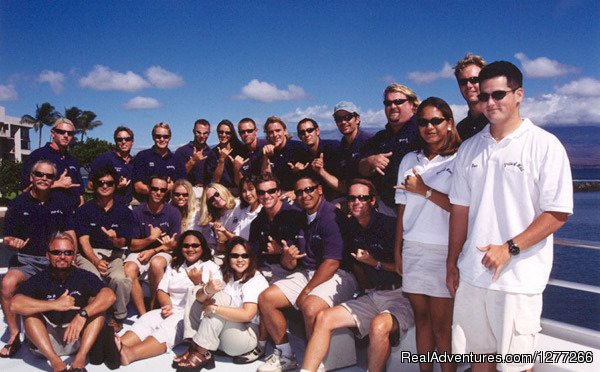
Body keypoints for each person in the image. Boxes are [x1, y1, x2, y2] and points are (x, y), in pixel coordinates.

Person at [447, 61, 573, 372]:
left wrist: (509, 248)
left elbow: (557, 213)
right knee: (479, 364)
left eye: (499, 94)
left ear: (519, 94)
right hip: (473, 278)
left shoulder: (544, 146)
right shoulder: (469, 149)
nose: (490, 103)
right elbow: (459, 211)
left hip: (518, 280)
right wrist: (451, 262)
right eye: (484, 97)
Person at [302, 179, 413, 372]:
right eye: (352, 198)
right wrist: (363, 291)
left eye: (362, 198)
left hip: (401, 295)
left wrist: (375, 263)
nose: (356, 202)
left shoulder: (391, 226)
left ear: (373, 201)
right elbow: (357, 266)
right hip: (372, 294)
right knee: (323, 318)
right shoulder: (351, 227)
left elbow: (405, 269)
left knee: (378, 327)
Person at [257, 172, 357, 372]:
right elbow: (291, 264)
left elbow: (332, 263)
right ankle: (285, 354)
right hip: (308, 272)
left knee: (310, 306)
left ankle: (315, 364)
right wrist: (288, 257)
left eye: (309, 190)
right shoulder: (300, 217)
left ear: (320, 190)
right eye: (299, 192)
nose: (305, 195)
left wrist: (306, 291)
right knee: (267, 298)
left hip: (339, 275)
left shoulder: (330, 216)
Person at [394, 97, 461, 372]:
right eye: (423, 122)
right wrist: (397, 250)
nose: (429, 127)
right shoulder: (410, 159)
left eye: (436, 120)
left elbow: (460, 208)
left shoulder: (460, 159)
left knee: (442, 326)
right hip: (413, 250)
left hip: (444, 251)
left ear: (448, 123)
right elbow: (402, 210)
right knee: (422, 320)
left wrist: (424, 190)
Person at [1, 160, 76, 358]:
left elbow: (69, 232)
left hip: (54, 260)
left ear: (54, 180)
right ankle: (14, 334)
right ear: (31, 177)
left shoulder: (62, 203)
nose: (44, 179)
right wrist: (11, 242)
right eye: (39, 175)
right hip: (26, 260)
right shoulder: (18, 204)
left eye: (49, 176)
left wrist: (72, 254)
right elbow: (7, 237)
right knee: (7, 284)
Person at [11, 232, 116, 372]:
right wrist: (55, 304)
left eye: (68, 252)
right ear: (47, 255)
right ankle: (56, 363)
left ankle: (79, 361)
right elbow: (15, 304)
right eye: (56, 252)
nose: (62, 257)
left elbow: (109, 295)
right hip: (46, 343)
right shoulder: (39, 279)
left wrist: (83, 314)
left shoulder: (83, 276)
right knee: (29, 315)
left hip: (76, 338)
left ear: (73, 255)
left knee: (98, 311)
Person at [115, 230, 221, 366]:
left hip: (192, 315)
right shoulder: (175, 265)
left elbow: (212, 300)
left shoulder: (212, 268)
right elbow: (162, 290)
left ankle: (131, 354)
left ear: (203, 247)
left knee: (168, 327)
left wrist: (198, 283)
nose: (190, 249)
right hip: (172, 309)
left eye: (195, 245)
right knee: (146, 319)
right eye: (186, 246)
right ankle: (116, 345)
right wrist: (167, 306)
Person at [174, 237, 269, 370]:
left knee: (220, 298)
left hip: (243, 338)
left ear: (251, 258)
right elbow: (199, 297)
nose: (240, 260)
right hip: (221, 337)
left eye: (245, 256)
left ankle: (201, 351)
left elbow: (247, 315)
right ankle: (194, 346)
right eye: (235, 255)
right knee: (196, 290)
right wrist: (208, 290)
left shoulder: (256, 280)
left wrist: (214, 308)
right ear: (228, 258)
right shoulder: (225, 273)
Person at [75, 166, 135, 333]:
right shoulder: (84, 210)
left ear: (115, 185)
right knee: (91, 278)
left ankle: (119, 316)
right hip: (89, 253)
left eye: (109, 183)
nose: (105, 186)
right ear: (94, 185)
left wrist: (114, 239)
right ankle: (93, 315)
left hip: (114, 252)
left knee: (119, 279)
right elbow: (83, 240)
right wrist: (95, 260)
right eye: (101, 182)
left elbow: (124, 242)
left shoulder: (124, 211)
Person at [358, 84, 419, 216]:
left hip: (419, 207)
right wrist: (370, 161)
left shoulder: (423, 131)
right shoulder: (380, 137)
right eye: (388, 103)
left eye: (398, 102)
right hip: (387, 207)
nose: (392, 107)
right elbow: (361, 168)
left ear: (412, 105)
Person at [125, 175, 182, 316]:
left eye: (162, 190)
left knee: (156, 263)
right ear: (149, 189)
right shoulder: (137, 212)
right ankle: (143, 314)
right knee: (129, 269)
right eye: (155, 189)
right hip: (141, 251)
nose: (158, 193)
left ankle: (153, 306)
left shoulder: (173, 212)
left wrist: (155, 249)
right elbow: (132, 245)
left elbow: (174, 243)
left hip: (163, 251)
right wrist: (151, 239)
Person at [20, 118, 84, 209]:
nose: (66, 135)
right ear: (53, 133)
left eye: (70, 133)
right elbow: (25, 189)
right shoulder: (38, 156)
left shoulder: (72, 160)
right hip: (46, 214)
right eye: (61, 132)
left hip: (71, 216)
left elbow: (79, 192)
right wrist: (58, 184)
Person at [132, 122, 186, 202]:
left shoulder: (177, 159)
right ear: (153, 137)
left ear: (170, 137)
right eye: (158, 136)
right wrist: (164, 189)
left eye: (165, 137)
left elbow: (182, 185)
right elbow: (138, 187)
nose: (162, 139)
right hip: (146, 205)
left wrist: (173, 187)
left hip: (170, 205)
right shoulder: (142, 156)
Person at [260, 116, 311, 193]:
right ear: (267, 135)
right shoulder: (266, 151)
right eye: (271, 132)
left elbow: (312, 177)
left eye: (278, 130)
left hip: (299, 192)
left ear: (285, 131)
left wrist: (300, 172)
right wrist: (266, 156)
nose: (275, 135)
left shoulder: (299, 148)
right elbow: (266, 179)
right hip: (277, 194)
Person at [331, 101, 373, 193]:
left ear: (357, 119)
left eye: (348, 117)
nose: (343, 122)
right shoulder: (343, 144)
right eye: (338, 119)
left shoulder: (369, 141)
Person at [296, 118, 341, 199]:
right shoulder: (302, 155)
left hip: (337, 196)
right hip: (316, 197)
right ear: (299, 136)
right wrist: (299, 172)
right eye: (302, 132)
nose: (306, 134)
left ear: (317, 131)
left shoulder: (334, 148)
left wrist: (321, 171)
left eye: (310, 130)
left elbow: (341, 186)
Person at [175, 119, 218, 197]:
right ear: (193, 131)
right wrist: (192, 161)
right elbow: (177, 176)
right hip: (186, 193)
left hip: (205, 193)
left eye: (205, 133)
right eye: (198, 132)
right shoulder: (181, 151)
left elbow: (215, 178)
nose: (202, 136)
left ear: (209, 134)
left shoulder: (211, 154)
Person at [195, 183, 240, 258]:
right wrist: (221, 240)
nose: (217, 199)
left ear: (222, 191)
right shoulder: (219, 219)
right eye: (211, 200)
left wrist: (226, 233)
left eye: (217, 194)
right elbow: (221, 249)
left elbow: (242, 240)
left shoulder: (239, 205)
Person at [454, 53, 488, 141]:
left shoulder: (498, 122)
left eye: (474, 80)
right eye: (463, 82)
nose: (468, 85)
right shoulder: (460, 129)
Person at [232, 117, 268, 185]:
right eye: (242, 132)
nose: (246, 134)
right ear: (239, 134)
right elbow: (239, 184)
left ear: (256, 131)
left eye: (249, 131)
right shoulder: (239, 153)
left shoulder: (266, 146)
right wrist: (236, 170)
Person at [212, 119, 244, 190]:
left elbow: (243, 181)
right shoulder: (212, 153)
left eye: (227, 133)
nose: (223, 135)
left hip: (238, 190)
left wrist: (237, 168)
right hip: (221, 191)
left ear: (232, 134)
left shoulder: (241, 149)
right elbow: (215, 180)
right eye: (221, 132)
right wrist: (221, 160)